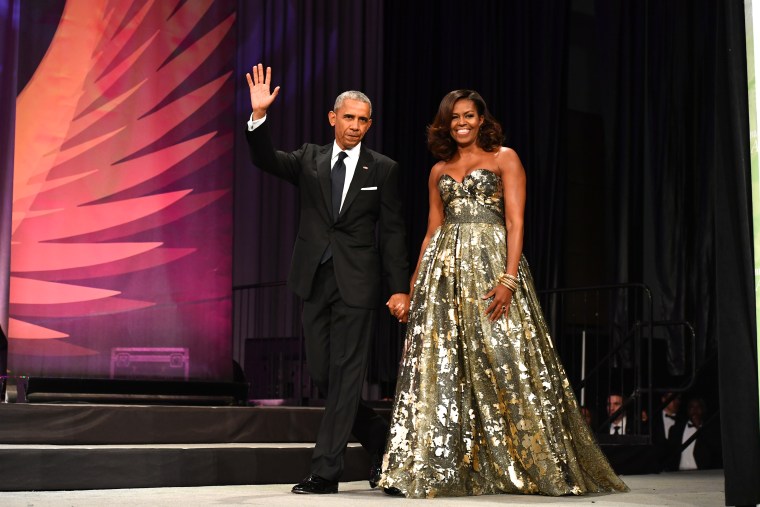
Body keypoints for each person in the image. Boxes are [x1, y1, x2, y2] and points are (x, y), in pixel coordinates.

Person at [377, 90, 628, 498]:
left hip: (493, 267)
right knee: (444, 368)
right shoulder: (438, 169)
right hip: (443, 277)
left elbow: (515, 221)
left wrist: (508, 280)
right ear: (445, 123)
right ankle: (437, 468)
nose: (461, 122)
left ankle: (531, 463)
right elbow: (431, 233)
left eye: (469, 116)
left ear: (481, 120)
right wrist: (413, 287)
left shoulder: (504, 158)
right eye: (454, 117)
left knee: (506, 357)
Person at [245, 64, 410, 494]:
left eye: (363, 120)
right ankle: (378, 438)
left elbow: (392, 232)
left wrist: (398, 287)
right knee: (324, 374)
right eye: (348, 117)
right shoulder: (308, 159)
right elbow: (265, 159)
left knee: (347, 373)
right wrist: (259, 117)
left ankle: (326, 471)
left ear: (369, 124)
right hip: (314, 279)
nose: (355, 126)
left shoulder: (384, 170)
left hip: (359, 284)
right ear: (332, 118)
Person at [668, 397, 722, 471]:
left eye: (698, 407)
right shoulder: (676, 429)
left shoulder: (710, 430)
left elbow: (716, 451)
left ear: (703, 409)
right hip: (679, 474)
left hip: (701, 474)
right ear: (687, 410)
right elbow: (669, 453)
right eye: (691, 407)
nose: (695, 410)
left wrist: (699, 428)